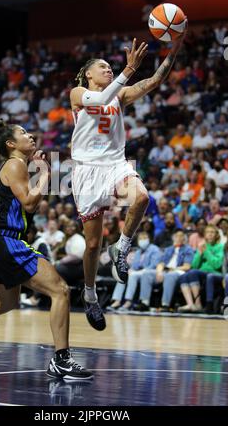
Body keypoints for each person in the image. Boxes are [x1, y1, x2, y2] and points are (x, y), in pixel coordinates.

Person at [0, 118, 92, 381]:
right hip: (7, 241)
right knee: (60, 290)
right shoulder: (14, 164)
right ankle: (61, 360)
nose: (31, 135)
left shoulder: (13, 167)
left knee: (7, 302)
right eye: (24, 133)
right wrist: (44, 172)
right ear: (11, 143)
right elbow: (31, 203)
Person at [70, 32, 187, 330]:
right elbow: (99, 98)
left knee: (142, 197)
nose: (109, 69)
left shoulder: (120, 95)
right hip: (85, 171)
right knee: (93, 244)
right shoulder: (77, 94)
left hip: (114, 164)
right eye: (103, 67)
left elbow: (155, 81)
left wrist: (173, 50)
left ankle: (121, 248)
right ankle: (90, 294)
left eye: (112, 66)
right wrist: (128, 69)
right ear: (87, 74)